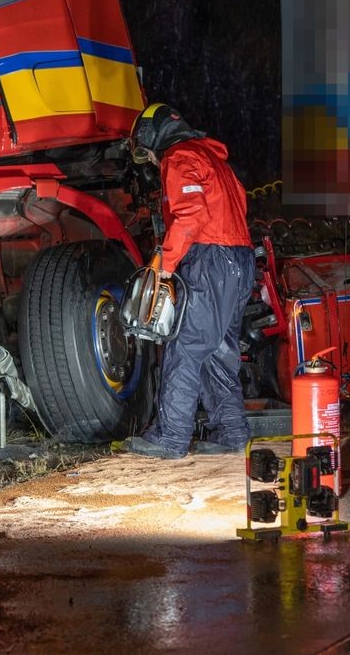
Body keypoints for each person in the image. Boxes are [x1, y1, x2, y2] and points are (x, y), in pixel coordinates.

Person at [124, 104, 255, 459]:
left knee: (186, 347)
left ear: (152, 135)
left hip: (210, 260)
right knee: (218, 350)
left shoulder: (179, 157)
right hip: (240, 260)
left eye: (146, 151)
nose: (150, 160)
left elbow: (191, 214)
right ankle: (232, 432)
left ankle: (170, 437)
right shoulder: (214, 160)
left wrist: (164, 265)